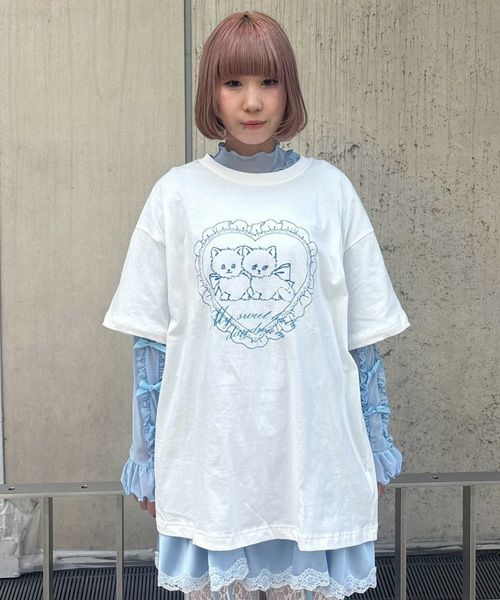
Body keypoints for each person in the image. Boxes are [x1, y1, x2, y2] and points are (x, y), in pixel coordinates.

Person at [102, 10, 411, 600]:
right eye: (233, 82)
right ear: (211, 93)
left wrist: (374, 448)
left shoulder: (330, 190)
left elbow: (363, 340)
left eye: (268, 82)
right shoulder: (175, 195)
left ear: (288, 89)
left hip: (313, 458)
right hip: (211, 462)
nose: (251, 102)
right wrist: (148, 457)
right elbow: (150, 346)